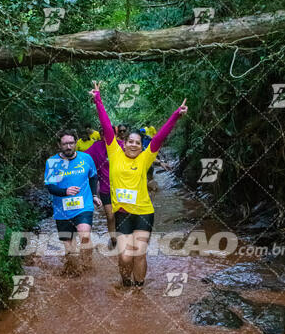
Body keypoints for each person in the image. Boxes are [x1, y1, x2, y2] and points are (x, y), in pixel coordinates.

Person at [89, 82, 187, 291]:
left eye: (137, 142)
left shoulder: (145, 158)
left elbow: (160, 136)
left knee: (139, 253)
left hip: (143, 212)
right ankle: (125, 285)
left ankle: (138, 290)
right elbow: (106, 126)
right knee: (125, 256)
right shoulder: (114, 153)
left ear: (141, 146)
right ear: (123, 143)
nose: (133, 144)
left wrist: (176, 115)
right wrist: (98, 99)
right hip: (123, 213)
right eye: (130, 141)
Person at [44, 129, 102, 274]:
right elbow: (50, 187)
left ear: (76, 143)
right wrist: (65, 191)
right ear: (59, 145)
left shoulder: (86, 158)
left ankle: (88, 267)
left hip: (84, 206)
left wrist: (94, 195)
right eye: (65, 144)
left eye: (71, 143)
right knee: (70, 249)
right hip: (62, 210)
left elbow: (93, 177)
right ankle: (74, 270)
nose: (68, 147)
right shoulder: (53, 162)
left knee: (84, 235)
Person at [85, 127, 124, 250]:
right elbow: (83, 157)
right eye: (103, 135)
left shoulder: (122, 145)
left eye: (108, 134)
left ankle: (122, 237)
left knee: (121, 215)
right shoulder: (97, 147)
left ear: (115, 135)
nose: (105, 137)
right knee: (110, 215)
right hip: (105, 188)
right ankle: (114, 240)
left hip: (122, 188)